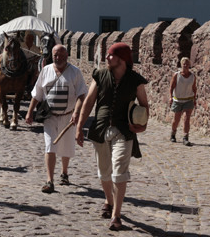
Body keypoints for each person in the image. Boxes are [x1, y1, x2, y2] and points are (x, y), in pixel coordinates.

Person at [75, 42, 149, 231]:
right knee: (104, 172)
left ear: (122, 59)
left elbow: (144, 104)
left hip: (124, 131)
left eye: (111, 55)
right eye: (108, 54)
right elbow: (89, 101)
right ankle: (109, 200)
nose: (107, 58)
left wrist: (142, 125)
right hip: (100, 129)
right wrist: (79, 127)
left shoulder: (135, 80)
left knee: (119, 172)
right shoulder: (100, 76)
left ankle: (116, 215)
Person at [25, 44, 87, 192]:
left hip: (68, 117)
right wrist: (29, 112)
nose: (58, 58)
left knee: (66, 146)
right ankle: (49, 180)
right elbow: (37, 93)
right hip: (50, 117)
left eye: (61, 55)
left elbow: (81, 94)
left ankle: (64, 173)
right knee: (50, 146)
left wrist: (76, 112)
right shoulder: (46, 71)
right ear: (52, 56)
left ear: (66, 56)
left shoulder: (75, 72)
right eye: (55, 55)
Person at [169, 57, 197, 146]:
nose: (185, 65)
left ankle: (185, 137)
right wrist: (170, 97)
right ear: (181, 65)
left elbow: (194, 88)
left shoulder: (192, 76)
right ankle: (173, 133)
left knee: (186, 118)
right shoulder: (177, 75)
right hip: (178, 100)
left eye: (187, 64)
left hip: (188, 99)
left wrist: (194, 99)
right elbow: (172, 87)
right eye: (184, 64)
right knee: (176, 120)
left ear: (189, 65)